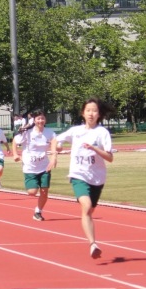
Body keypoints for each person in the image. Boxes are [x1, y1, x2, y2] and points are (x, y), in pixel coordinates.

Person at [49, 98, 114, 259]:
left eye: (94, 111)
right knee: (86, 206)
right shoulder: (75, 131)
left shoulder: (102, 133)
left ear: (99, 114)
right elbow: (55, 140)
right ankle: (93, 244)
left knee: (89, 211)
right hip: (78, 175)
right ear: (83, 113)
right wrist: (54, 155)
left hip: (97, 178)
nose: (91, 114)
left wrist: (94, 148)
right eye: (88, 110)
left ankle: (91, 239)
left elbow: (110, 158)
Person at [12, 109, 56, 221]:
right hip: (30, 166)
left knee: (44, 191)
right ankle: (31, 186)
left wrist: (54, 158)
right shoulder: (27, 132)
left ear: (45, 119)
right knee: (32, 192)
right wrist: (15, 154)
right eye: (38, 119)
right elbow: (15, 141)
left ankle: (38, 211)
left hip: (44, 166)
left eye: (42, 118)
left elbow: (54, 144)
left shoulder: (50, 133)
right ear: (34, 120)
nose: (41, 121)